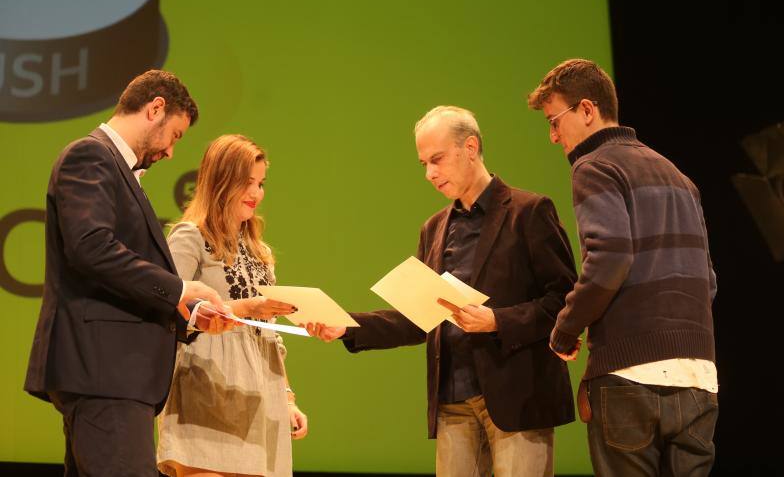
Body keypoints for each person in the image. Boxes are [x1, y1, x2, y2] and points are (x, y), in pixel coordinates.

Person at [306, 106, 577, 477]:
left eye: (437, 159)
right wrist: (346, 325)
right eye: (423, 164)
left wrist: (497, 320)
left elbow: (563, 301)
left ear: (470, 147)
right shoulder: (434, 228)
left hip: (517, 398)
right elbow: (419, 320)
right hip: (452, 400)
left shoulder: (529, 211)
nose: (430, 173)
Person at [24, 70, 234, 477]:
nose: (172, 152)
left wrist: (186, 312)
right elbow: (91, 248)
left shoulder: (113, 167)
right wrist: (178, 289)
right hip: (105, 373)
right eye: (174, 136)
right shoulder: (90, 156)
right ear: (155, 108)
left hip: (112, 376)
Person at [528, 59, 719, 476]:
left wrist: (565, 329)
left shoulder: (594, 166)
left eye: (555, 121)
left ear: (587, 110)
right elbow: (708, 282)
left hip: (630, 377)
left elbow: (609, 260)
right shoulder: (680, 178)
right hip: (700, 377)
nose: (553, 136)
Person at [157, 134, 308, 477]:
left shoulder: (260, 251)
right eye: (247, 183)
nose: (256, 193)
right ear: (221, 182)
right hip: (209, 391)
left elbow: (270, 335)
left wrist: (287, 398)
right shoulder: (190, 237)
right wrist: (243, 309)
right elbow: (168, 311)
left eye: (260, 183)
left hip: (261, 400)